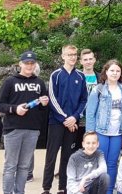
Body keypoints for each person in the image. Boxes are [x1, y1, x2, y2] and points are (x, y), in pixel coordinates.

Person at [0, 50, 49, 194]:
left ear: (35, 64)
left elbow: (43, 109)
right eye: (26, 63)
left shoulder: (39, 83)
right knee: (10, 166)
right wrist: (15, 109)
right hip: (13, 129)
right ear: (20, 64)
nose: (29, 66)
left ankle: (20, 192)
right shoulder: (10, 81)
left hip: (32, 130)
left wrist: (44, 104)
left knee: (24, 166)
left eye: (32, 63)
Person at [43, 45, 88, 194]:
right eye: (69, 54)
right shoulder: (55, 75)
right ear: (63, 56)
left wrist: (74, 117)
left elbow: (84, 100)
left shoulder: (80, 76)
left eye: (74, 54)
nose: (72, 57)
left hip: (73, 123)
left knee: (67, 157)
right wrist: (65, 119)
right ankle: (46, 188)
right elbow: (52, 98)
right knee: (51, 155)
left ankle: (63, 187)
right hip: (56, 122)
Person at [87, 59, 122, 194]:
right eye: (112, 70)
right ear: (106, 71)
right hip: (101, 132)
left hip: (117, 133)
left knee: (112, 163)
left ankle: (109, 191)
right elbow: (90, 113)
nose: (115, 73)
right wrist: (90, 134)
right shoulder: (98, 89)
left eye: (118, 71)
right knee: (100, 163)